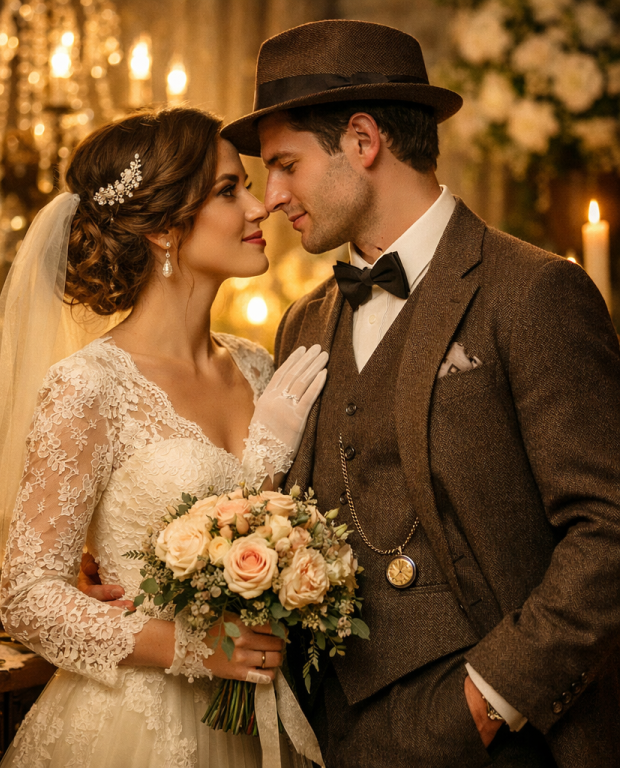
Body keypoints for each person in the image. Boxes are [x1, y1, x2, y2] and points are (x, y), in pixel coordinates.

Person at [216, 19, 620, 768]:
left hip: (501, 738)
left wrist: (489, 700)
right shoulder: (303, 320)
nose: (269, 197)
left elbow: (609, 529)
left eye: (284, 165)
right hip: (328, 735)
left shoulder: (532, 292)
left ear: (363, 141)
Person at [0, 107, 329, 768]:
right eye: (227, 191)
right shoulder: (88, 385)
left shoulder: (260, 367)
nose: (258, 207)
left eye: (248, 186)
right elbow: (28, 599)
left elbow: (271, 526)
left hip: (255, 721)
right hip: (131, 727)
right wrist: (193, 647)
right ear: (163, 229)